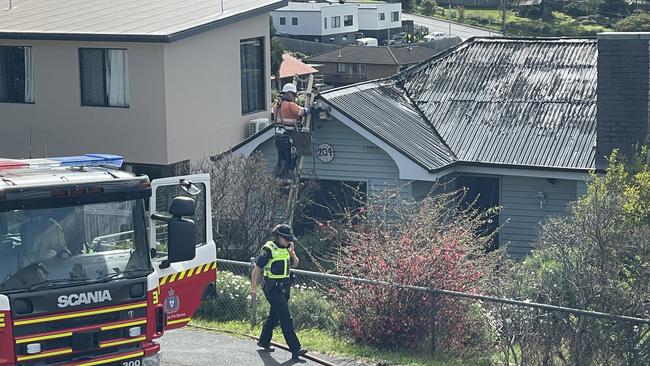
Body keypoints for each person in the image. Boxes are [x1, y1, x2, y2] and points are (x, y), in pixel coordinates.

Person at [250, 224, 308, 360]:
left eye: (290, 238)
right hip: (272, 288)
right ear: (278, 236)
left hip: (285, 288)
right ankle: (295, 348)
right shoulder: (268, 248)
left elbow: (295, 264)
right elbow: (257, 268)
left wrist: (292, 254)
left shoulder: (286, 249)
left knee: (274, 316)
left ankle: (263, 340)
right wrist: (253, 287)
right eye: (286, 238)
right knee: (286, 317)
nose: (288, 240)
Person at [274, 83, 310, 179]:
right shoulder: (291, 105)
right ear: (289, 94)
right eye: (294, 95)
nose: (294, 97)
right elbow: (304, 112)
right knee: (290, 161)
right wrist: (314, 108)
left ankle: (279, 179)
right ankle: (287, 180)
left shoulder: (277, 106)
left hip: (278, 138)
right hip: (287, 139)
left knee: (281, 161)